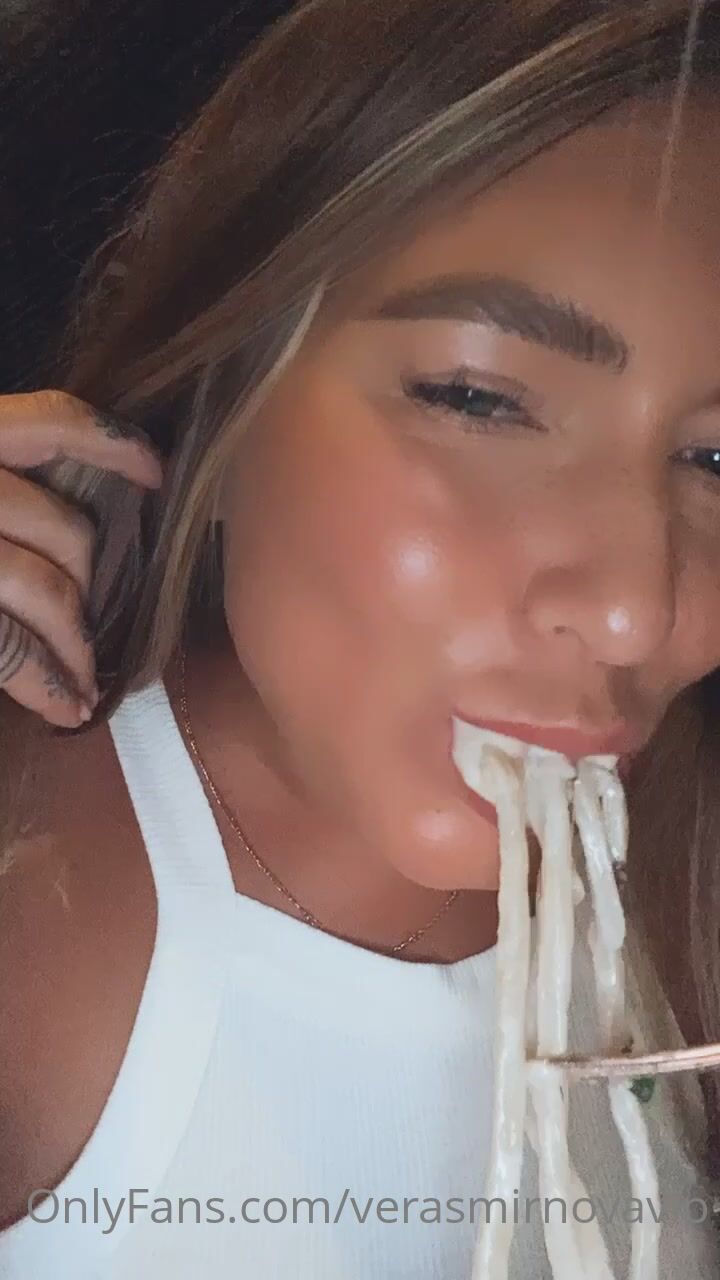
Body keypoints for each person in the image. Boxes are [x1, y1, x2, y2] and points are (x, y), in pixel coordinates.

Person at [0, 0, 720, 1275]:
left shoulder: (684, 868)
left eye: (717, 460)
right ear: (223, 380)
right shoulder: (36, 906)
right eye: (478, 399)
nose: (635, 609)